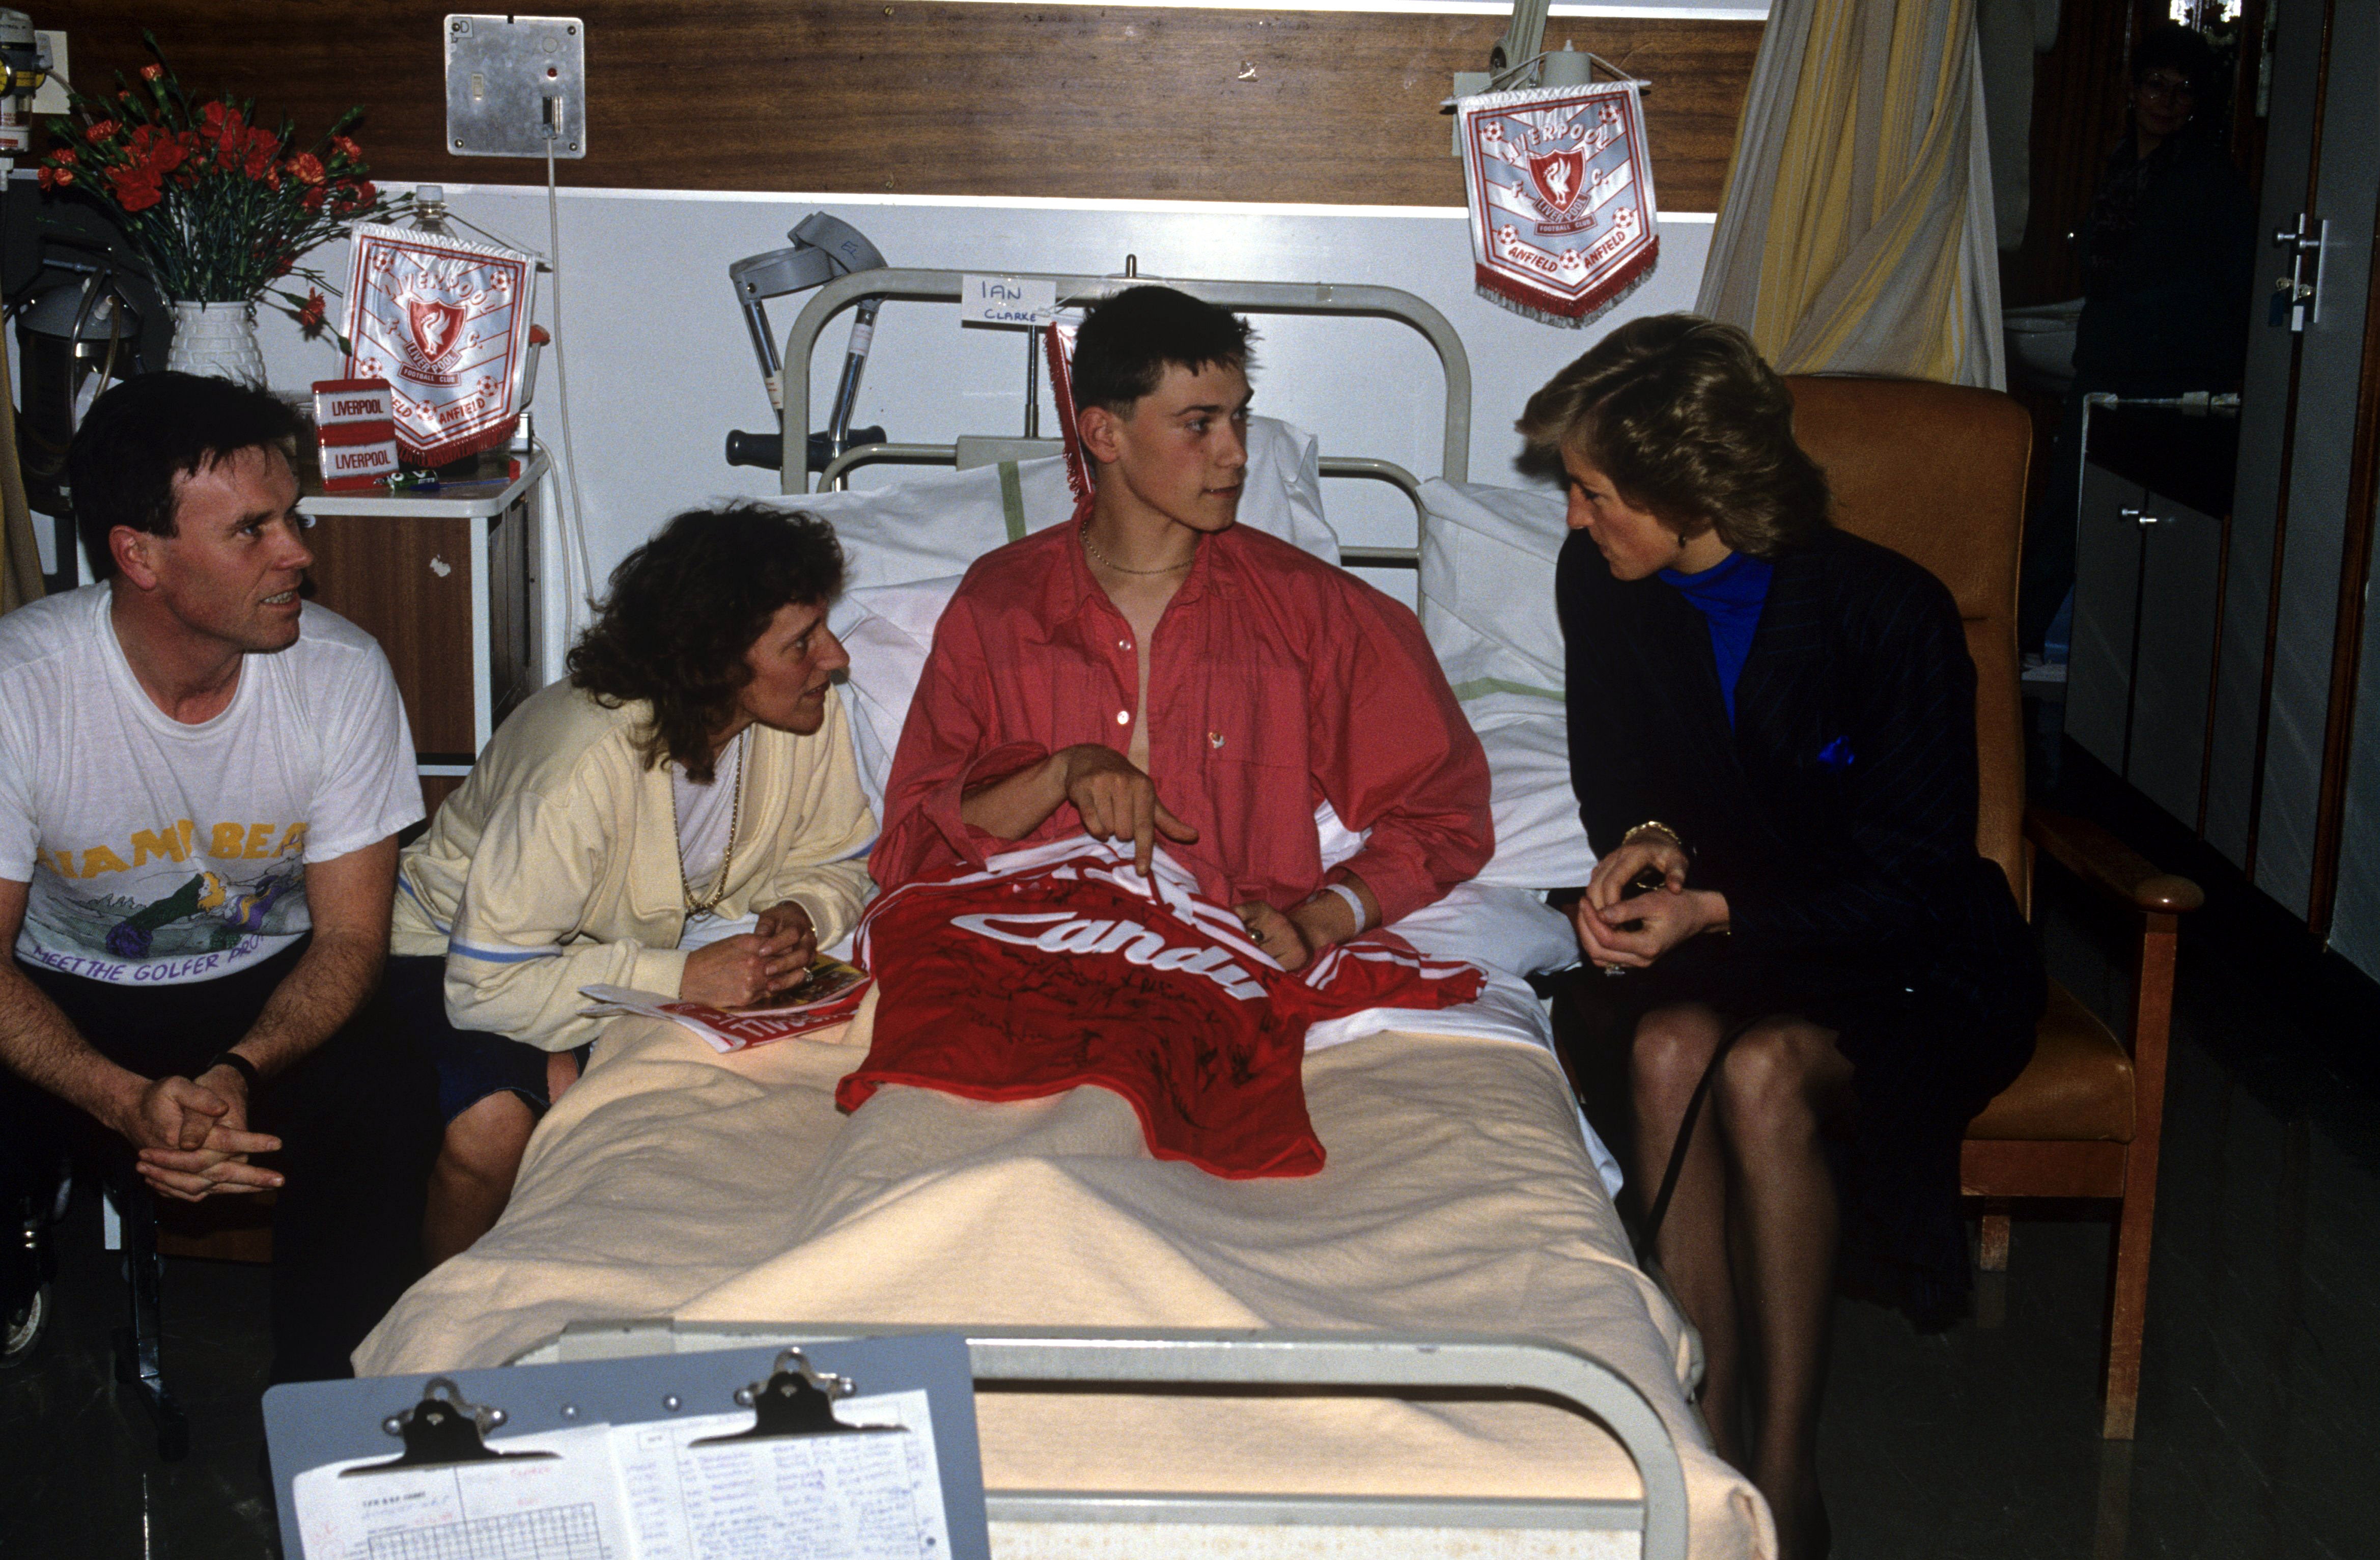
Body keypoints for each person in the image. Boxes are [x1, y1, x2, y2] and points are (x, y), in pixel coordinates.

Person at [1527, 316, 2042, 1556]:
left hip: (1902, 941)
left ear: (1689, 486)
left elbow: (1913, 875)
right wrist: (1646, 840)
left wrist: (1716, 907)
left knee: (1758, 1076)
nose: (1571, 520)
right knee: (1660, 1055)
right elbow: (1619, 771)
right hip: (1737, 925)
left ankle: (1784, 1471)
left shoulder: (1886, 613)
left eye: (1594, 494)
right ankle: (1698, 1448)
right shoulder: (1601, 583)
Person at [0, 372, 435, 1382]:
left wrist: (240, 1068)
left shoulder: (341, 673)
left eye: (293, 516)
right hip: (66, 990)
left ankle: (330, 1411)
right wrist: (118, 1099)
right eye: (253, 530)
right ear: (139, 554)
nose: (300, 554)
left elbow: (349, 941)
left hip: (265, 988)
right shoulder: (23, 688)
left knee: (384, 1090)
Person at [871, 285, 1491, 965]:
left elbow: (1445, 817)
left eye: (1238, 419)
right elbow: (911, 845)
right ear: (1105, 434)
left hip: (1222, 969)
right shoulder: (1000, 605)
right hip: (1025, 952)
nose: (1236, 454)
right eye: (1199, 424)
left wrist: (1322, 921)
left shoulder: (1317, 615)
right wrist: (1060, 774)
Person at [390, 504, 875, 1265]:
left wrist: (798, 908)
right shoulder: (579, 767)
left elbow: (841, 857)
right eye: (801, 642)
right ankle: (430, 1328)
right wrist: (679, 975)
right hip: (446, 950)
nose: (836, 657)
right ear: (717, 662)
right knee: (498, 1127)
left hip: (603, 958)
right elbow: (482, 986)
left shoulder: (806, 716)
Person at [2019, 20, 2254, 658]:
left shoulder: (2211, 181)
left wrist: (2218, 372)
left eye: (2182, 91)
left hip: (2166, 379)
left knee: (2133, 532)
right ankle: (2016, 652)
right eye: (2155, 85)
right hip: (2109, 367)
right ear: (2133, 88)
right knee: (2064, 521)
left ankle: (2106, 670)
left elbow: (2232, 291)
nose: (2166, 102)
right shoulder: (2125, 166)